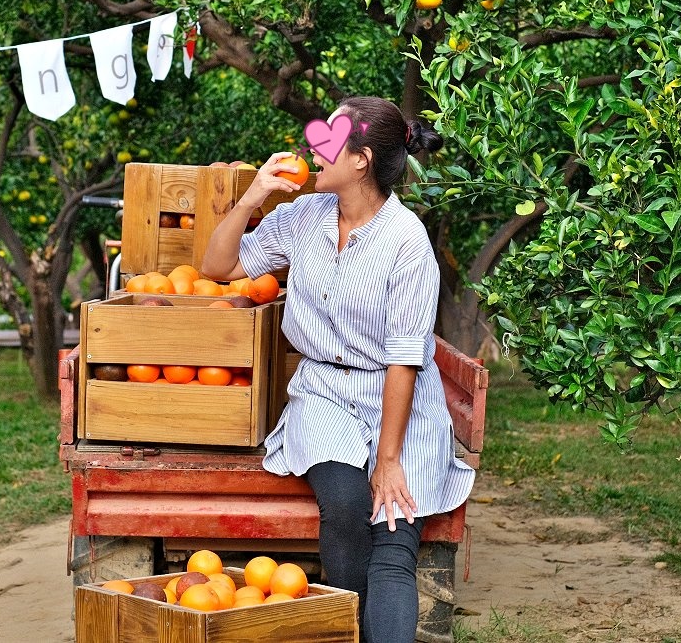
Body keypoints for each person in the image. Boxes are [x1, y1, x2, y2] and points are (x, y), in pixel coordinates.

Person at [200, 96, 475, 643]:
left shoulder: (406, 241)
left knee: (393, 534)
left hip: (397, 396)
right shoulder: (303, 216)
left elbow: (403, 359)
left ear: (360, 160)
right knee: (346, 507)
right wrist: (253, 196)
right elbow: (218, 265)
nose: (313, 149)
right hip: (324, 391)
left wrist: (390, 461)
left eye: (328, 139)